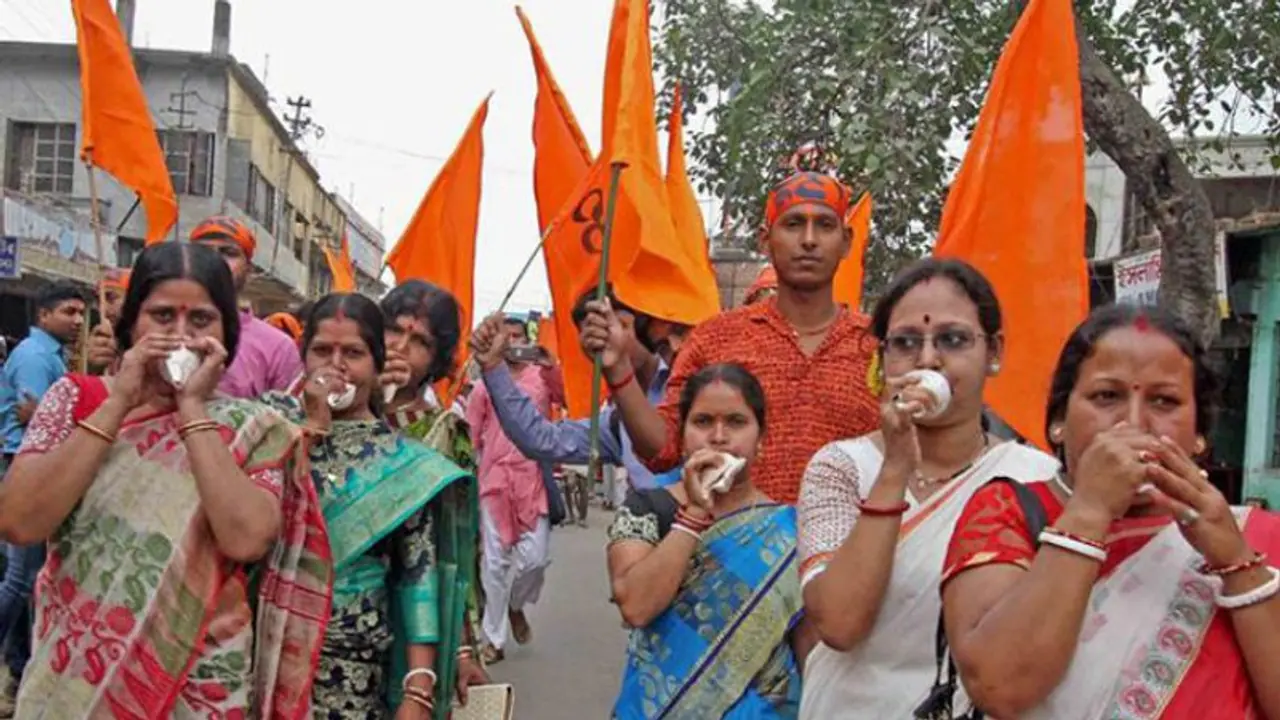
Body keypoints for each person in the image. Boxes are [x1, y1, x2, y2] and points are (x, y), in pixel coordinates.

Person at [0, 242, 329, 718]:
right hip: (80, 677)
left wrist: (192, 409)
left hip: (199, 682)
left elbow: (246, 538)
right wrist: (118, 403)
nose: (180, 336)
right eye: (162, 317)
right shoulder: (77, 398)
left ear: (226, 331)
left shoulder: (252, 426)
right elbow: (20, 522)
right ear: (132, 323)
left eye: (200, 320)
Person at [941, 304, 1280, 719]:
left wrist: (1236, 563)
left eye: (1164, 401)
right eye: (1107, 396)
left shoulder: (1256, 536)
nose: (1133, 423)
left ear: (1199, 436)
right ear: (1058, 422)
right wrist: (1090, 510)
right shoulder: (1004, 512)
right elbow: (1001, 687)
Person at [795, 258, 1058, 718]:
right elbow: (838, 622)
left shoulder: (1035, 477)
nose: (928, 359)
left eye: (953, 340)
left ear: (993, 352)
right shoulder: (840, 468)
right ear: (883, 358)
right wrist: (895, 469)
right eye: (906, 343)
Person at [581, 169, 881, 505]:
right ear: (765, 240)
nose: (809, 239)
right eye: (793, 224)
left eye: (825, 225)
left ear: (847, 241)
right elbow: (663, 448)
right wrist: (619, 369)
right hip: (731, 549)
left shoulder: (878, 346)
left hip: (853, 553)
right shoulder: (716, 339)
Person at [261, 293, 474, 719]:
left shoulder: (403, 461)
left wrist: (419, 687)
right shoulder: (268, 425)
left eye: (354, 353)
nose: (336, 365)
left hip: (354, 665)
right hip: (268, 650)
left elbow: (419, 574)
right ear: (303, 357)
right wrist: (308, 429)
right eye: (322, 350)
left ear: (376, 367)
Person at [608, 363, 813, 719]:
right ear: (683, 436)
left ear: (761, 439)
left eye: (736, 422)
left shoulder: (790, 530)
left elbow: (807, 646)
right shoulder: (647, 509)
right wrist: (693, 515)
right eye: (703, 422)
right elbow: (637, 606)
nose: (719, 436)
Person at [469, 286, 688, 504]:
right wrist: (494, 367)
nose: (609, 341)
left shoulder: (691, 387)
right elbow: (543, 440)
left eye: (619, 326)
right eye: (594, 336)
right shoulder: (616, 422)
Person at [379, 280, 489, 701]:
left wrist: (461, 650)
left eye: (419, 340)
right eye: (394, 329)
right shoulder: (326, 411)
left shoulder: (447, 435)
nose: (401, 346)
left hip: (415, 614)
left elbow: (457, 552)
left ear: (437, 360)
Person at [0, 280, 86, 711]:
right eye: (68, 312)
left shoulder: (55, 355)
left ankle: (18, 667)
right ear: (43, 316)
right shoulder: (36, 358)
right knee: (21, 577)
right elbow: (38, 423)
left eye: (80, 313)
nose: (77, 321)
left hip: (38, 467)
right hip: (25, 467)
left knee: (29, 577)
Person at [464, 316, 551, 664]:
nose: (512, 343)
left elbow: (570, 395)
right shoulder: (485, 386)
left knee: (536, 560)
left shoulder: (540, 378)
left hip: (532, 480)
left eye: (517, 337)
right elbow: (470, 435)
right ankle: (493, 638)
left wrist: (551, 361)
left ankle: (516, 606)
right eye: (506, 337)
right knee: (494, 564)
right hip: (495, 482)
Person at [189, 216, 303, 398]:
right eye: (202, 251)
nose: (214, 261)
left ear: (248, 270)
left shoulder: (278, 347)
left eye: (228, 252)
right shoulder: (160, 328)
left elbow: (288, 421)